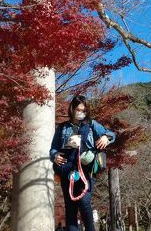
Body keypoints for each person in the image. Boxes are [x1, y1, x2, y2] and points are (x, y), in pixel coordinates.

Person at [50, 96, 116, 231]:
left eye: (84, 110)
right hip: (67, 170)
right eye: (78, 110)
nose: (81, 113)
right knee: (70, 207)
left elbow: (111, 134)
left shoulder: (91, 124)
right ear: (72, 109)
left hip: (86, 170)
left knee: (84, 202)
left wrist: (105, 137)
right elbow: (53, 149)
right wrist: (55, 156)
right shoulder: (62, 128)